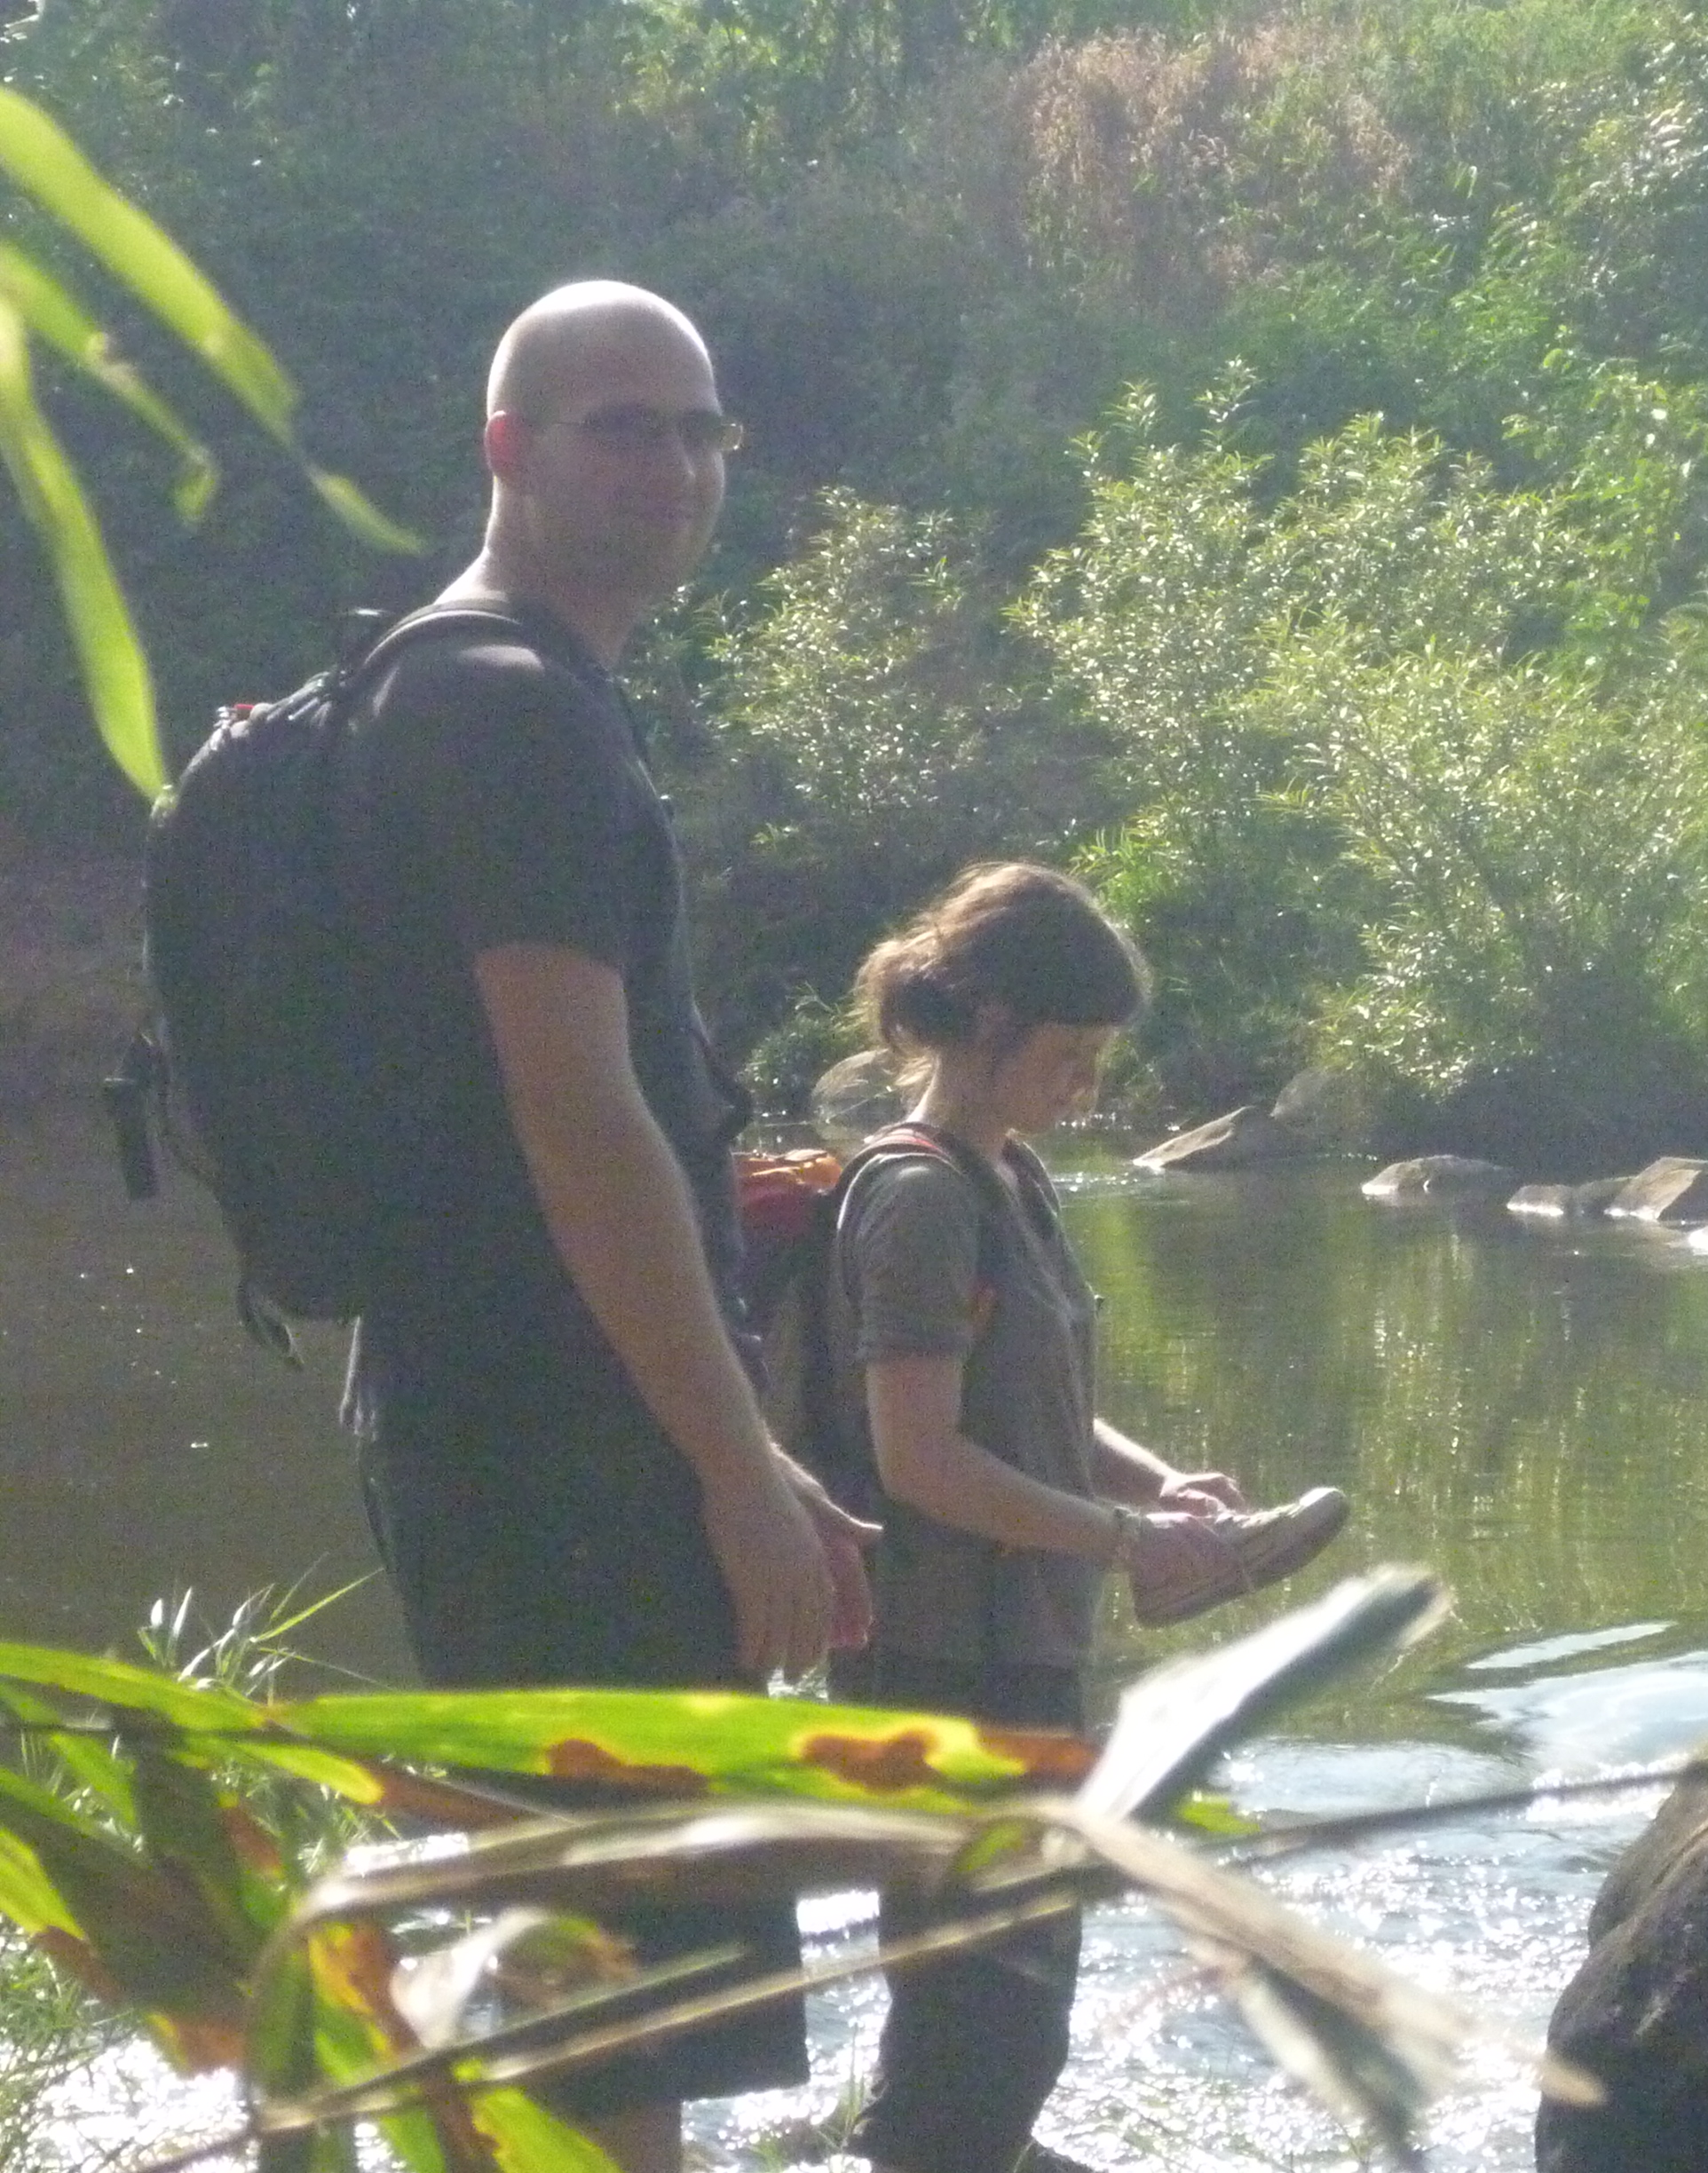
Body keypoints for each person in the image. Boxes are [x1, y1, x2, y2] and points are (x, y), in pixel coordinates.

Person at [332, 281, 877, 2167]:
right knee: (620, 2020)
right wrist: (733, 1462)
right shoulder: (506, 709)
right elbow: (574, 1110)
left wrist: (743, 1438)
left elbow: (538, 1114)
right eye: (616, 426)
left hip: (513, 1415)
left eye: (699, 429)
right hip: (561, 1446)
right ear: (508, 450)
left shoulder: (490, 684)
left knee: (567, 1975)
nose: (671, 466)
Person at [831, 858, 1349, 2173]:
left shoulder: (1017, 1182)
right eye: (1070, 1054)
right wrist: (1131, 1548)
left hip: (1026, 1652)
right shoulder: (919, 1199)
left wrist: (1154, 1489)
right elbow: (919, 1457)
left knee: (1007, 2006)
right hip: (938, 1668)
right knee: (984, 2011)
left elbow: (1038, 1405)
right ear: (988, 1025)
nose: (1089, 1087)